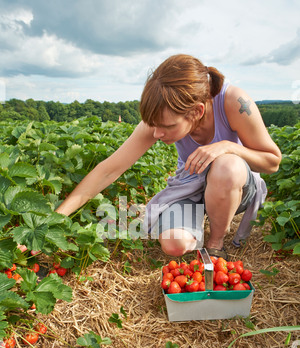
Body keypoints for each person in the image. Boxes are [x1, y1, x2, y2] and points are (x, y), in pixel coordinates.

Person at [56, 54, 281, 259]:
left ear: (197, 111)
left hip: (235, 187)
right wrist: (56, 219)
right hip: (191, 187)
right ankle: (194, 224)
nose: (157, 134)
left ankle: (216, 243)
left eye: (166, 126)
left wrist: (226, 147)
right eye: (153, 125)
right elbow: (108, 170)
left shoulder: (234, 102)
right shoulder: (160, 116)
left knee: (226, 165)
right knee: (174, 244)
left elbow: (272, 161)